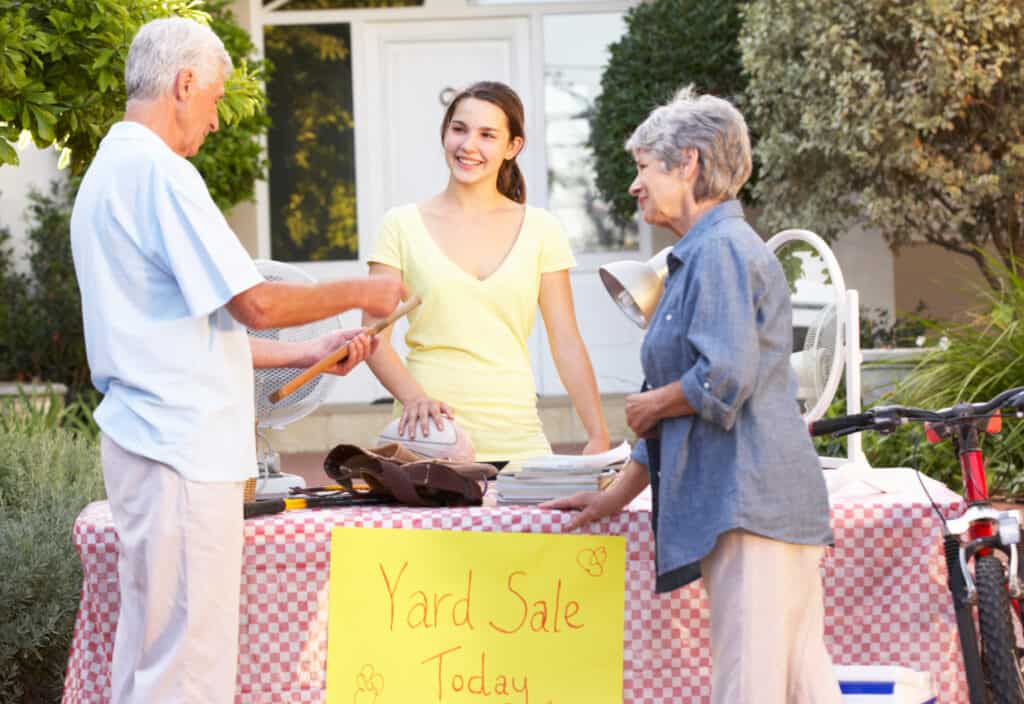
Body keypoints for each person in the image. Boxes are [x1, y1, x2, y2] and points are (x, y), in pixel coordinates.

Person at [69, 18, 405, 704]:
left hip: (149, 445)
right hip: (181, 451)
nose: (217, 121)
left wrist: (310, 349)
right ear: (184, 84)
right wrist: (365, 290)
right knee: (188, 670)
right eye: (217, 99)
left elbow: (193, 331)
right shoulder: (160, 172)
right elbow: (256, 304)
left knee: (151, 657)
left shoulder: (113, 169)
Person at [542, 87, 842, 704]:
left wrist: (654, 404)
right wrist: (612, 497)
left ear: (690, 164)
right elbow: (689, 406)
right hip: (754, 503)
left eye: (644, 166)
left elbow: (723, 379)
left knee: (751, 687)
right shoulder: (703, 254)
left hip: (750, 503)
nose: (635, 185)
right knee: (800, 686)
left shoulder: (721, 251)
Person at [364, 81, 609, 463]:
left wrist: (597, 434)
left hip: (519, 444)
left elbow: (566, 341)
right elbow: (373, 336)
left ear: (513, 146)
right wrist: (415, 398)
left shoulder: (542, 229)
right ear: (444, 133)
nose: (468, 146)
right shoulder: (400, 226)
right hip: (426, 445)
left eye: (487, 135)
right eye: (459, 129)